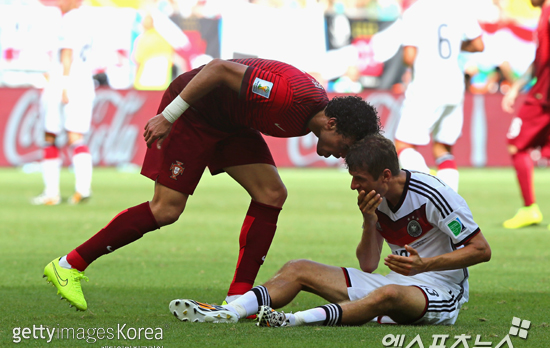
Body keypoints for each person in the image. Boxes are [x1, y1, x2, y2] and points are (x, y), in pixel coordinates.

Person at [43, 57, 381, 311]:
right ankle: (68, 266)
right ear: (332, 124)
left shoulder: (313, 112)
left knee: (272, 193)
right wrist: (169, 115)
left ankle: (238, 298)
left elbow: (247, 62)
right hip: (195, 113)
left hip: (231, 121)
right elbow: (219, 69)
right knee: (166, 209)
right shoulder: (285, 96)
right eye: (345, 146)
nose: (342, 155)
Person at [169, 134, 491, 327]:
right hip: (398, 282)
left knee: (388, 294)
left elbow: (481, 250)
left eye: (359, 178)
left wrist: (425, 265)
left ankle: (294, 321)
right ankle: (229, 312)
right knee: (298, 269)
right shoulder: (375, 198)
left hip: (442, 292)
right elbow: (368, 264)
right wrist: (369, 222)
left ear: (386, 175)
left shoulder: (433, 195)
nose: (353, 185)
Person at [393, 0, 484, 192]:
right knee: (443, 148)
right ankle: (450, 203)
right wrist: (456, 46)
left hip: (426, 85)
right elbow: (478, 44)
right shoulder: (460, 8)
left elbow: (409, 56)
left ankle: (429, 185)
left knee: (403, 143)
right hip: (454, 86)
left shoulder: (415, 12)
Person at [31, 0, 95, 206]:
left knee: (50, 134)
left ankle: (52, 194)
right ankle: (82, 189)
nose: (59, 3)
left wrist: (64, 84)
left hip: (65, 82)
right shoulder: (88, 20)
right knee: (76, 136)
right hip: (85, 82)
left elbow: (66, 52)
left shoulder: (69, 20)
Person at [500, 0, 550, 229]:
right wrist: (517, 87)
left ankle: (530, 208)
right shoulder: (543, 15)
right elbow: (539, 61)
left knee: (516, 145)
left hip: (543, 98)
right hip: (540, 93)